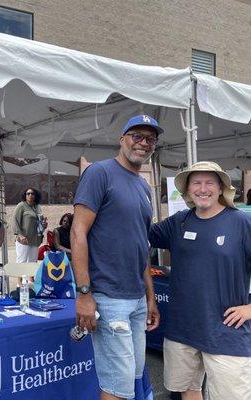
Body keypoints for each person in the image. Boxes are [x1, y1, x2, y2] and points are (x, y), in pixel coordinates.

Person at [71, 114, 161, 400]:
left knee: (131, 377)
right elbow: (78, 233)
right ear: (122, 139)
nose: (143, 143)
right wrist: (84, 293)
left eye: (150, 139)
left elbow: (141, 245)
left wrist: (150, 296)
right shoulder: (100, 173)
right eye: (137, 136)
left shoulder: (143, 186)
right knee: (117, 388)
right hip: (109, 298)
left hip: (135, 298)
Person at [148, 161, 251, 400]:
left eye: (209, 183)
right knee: (188, 390)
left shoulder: (241, 223)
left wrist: (249, 309)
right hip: (182, 329)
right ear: (187, 190)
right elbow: (138, 232)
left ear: (221, 188)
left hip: (227, 333)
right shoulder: (179, 222)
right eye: (196, 183)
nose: (202, 189)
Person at [12, 188, 47, 263]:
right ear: (25, 195)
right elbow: (15, 220)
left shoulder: (37, 207)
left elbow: (39, 221)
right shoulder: (21, 205)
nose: (30, 195)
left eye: (32, 193)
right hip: (24, 239)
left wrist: (44, 224)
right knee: (22, 262)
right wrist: (20, 235)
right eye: (28, 193)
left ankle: (31, 275)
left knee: (33, 263)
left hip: (35, 240)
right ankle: (20, 275)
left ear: (35, 195)